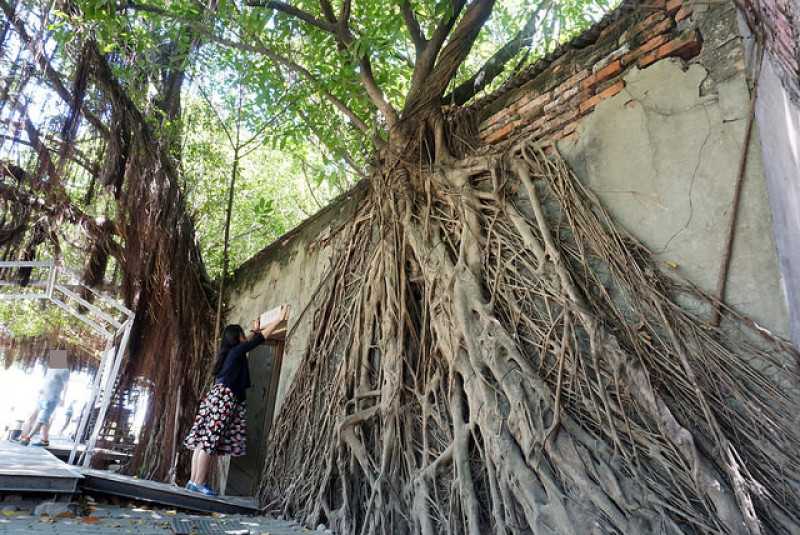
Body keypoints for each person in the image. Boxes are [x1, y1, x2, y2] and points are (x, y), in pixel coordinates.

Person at [183, 305, 289, 496]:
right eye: (241, 335)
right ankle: (199, 483)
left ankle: (193, 481)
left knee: (202, 441)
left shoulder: (228, 354)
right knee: (210, 442)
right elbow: (258, 340)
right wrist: (279, 319)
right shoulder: (237, 352)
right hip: (224, 399)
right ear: (237, 338)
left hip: (215, 397)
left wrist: (252, 330)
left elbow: (249, 340)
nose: (244, 338)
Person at [20, 350, 70, 447]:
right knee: (34, 417)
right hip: (43, 396)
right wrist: (41, 390)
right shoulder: (51, 368)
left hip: (52, 398)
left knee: (42, 419)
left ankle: (27, 438)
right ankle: (45, 440)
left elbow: (66, 385)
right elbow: (48, 381)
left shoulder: (64, 370)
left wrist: (63, 399)